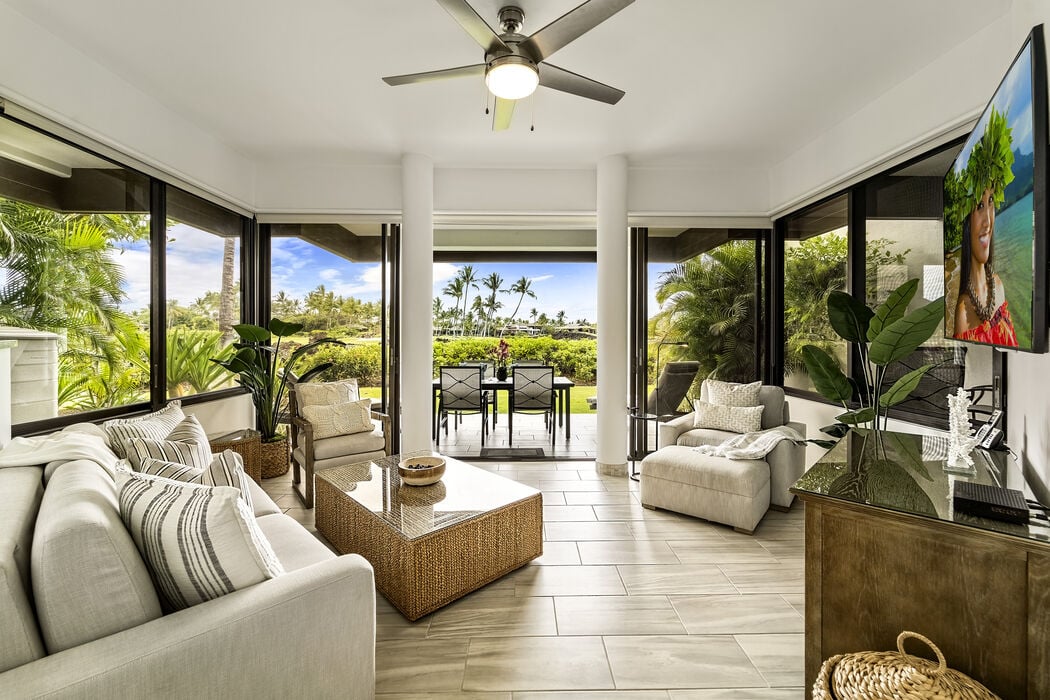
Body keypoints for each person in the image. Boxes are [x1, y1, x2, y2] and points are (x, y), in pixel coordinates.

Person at [952, 108, 1018, 346]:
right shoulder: (963, 310)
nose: (988, 220)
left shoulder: (998, 285)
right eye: (979, 205)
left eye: (991, 202)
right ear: (966, 221)